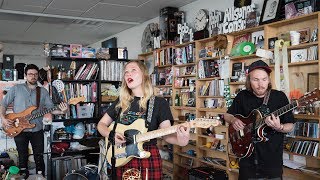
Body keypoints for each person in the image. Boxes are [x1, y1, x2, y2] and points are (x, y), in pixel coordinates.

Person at [97, 60, 190, 179]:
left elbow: (166, 134)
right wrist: (111, 135)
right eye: (126, 72)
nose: (128, 74)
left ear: (144, 75)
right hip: (121, 157)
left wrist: (183, 140)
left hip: (146, 157)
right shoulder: (121, 102)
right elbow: (101, 124)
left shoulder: (158, 103)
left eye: (133, 70)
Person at [224, 60, 295, 180]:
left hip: (272, 163)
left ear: (269, 80)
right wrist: (233, 120)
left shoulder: (279, 97)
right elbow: (227, 115)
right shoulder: (242, 96)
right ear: (249, 80)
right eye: (255, 79)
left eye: (264, 79)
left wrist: (279, 127)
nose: (260, 84)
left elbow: (290, 125)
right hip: (247, 161)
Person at [0, 64, 68, 178]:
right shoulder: (16, 89)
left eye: (35, 74)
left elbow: (51, 109)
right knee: (22, 155)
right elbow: (3, 104)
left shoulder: (43, 91)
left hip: (37, 129)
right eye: (30, 74)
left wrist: (62, 111)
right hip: (18, 129)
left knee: (39, 155)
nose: (33, 76)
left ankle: (41, 175)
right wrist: (3, 118)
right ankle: (23, 175)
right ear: (26, 75)